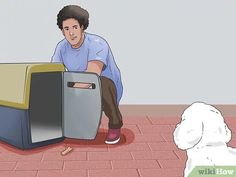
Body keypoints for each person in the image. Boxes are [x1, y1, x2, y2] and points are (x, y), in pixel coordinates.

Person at [51, 5, 123, 144]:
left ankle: (115, 123)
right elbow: (54, 72)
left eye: (75, 27)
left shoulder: (97, 44)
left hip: (104, 87)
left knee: (100, 82)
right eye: (66, 29)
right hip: (75, 87)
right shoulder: (61, 47)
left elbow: (92, 76)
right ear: (62, 31)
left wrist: (68, 89)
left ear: (82, 27)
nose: (71, 33)